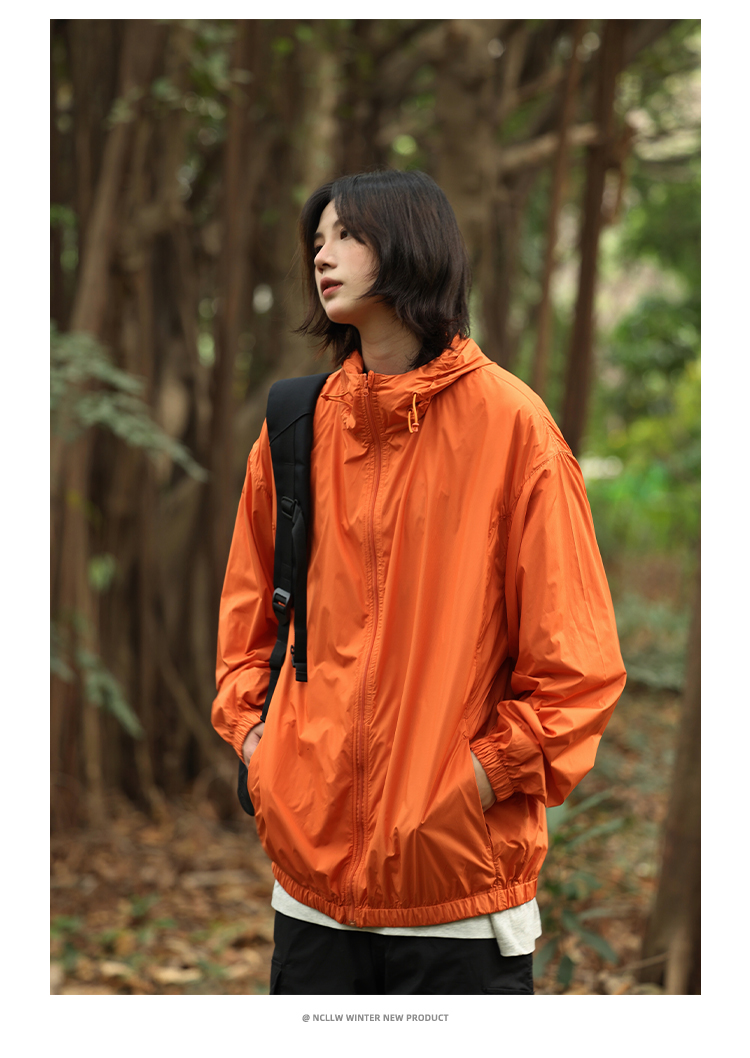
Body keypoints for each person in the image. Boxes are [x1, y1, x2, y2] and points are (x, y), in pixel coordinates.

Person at [211, 169, 626, 995]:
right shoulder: (295, 428)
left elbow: (576, 670)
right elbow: (246, 624)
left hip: (459, 902)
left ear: (410, 245)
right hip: (312, 898)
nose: (321, 255)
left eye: (346, 235)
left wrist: (468, 785)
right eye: (317, 240)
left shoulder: (513, 428)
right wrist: (263, 751)